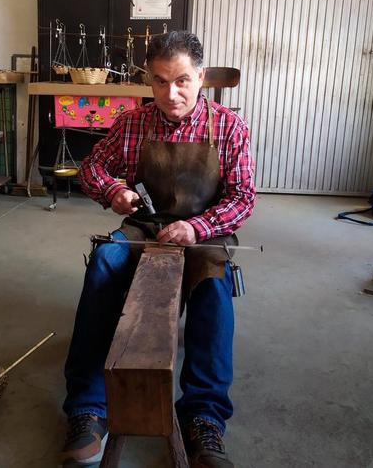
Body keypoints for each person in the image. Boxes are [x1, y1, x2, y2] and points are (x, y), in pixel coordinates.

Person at [60, 30, 256, 468]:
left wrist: (197, 226)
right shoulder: (133, 122)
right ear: (149, 80)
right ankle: (88, 407)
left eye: (183, 80)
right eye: (161, 81)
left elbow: (242, 198)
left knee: (213, 282)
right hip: (144, 227)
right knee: (105, 262)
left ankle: (204, 418)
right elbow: (92, 165)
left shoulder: (229, 127)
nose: (172, 93)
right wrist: (112, 190)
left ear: (201, 77)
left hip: (203, 235)